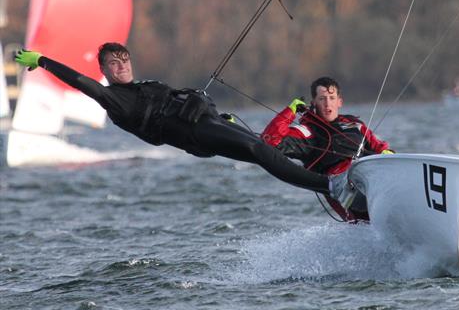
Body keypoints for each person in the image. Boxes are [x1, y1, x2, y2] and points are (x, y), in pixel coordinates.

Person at [14, 44, 354, 201]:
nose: (122, 66)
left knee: (264, 149)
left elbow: (187, 96)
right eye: (113, 64)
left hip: (210, 121)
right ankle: (330, 187)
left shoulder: (144, 85)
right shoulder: (113, 98)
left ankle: (332, 178)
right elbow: (79, 81)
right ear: (103, 70)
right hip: (195, 135)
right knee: (256, 147)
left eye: (125, 60)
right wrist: (44, 61)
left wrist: (201, 100)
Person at [261, 76, 392, 222]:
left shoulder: (356, 125)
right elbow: (269, 139)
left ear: (339, 102)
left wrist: (387, 153)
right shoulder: (307, 131)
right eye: (322, 99)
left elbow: (380, 147)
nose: (327, 103)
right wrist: (290, 111)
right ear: (313, 103)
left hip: (371, 177)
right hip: (341, 187)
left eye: (331, 97)